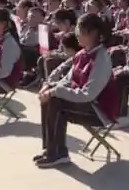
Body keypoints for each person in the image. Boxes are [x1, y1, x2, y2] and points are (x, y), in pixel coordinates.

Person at [35, 13, 119, 167]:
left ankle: (58, 153)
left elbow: (88, 94)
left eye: (80, 30)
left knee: (56, 100)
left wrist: (54, 92)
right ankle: (50, 149)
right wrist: (49, 85)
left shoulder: (101, 58)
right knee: (49, 98)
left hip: (98, 109)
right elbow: (68, 79)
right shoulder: (82, 54)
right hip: (83, 103)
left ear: (93, 33)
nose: (77, 34)